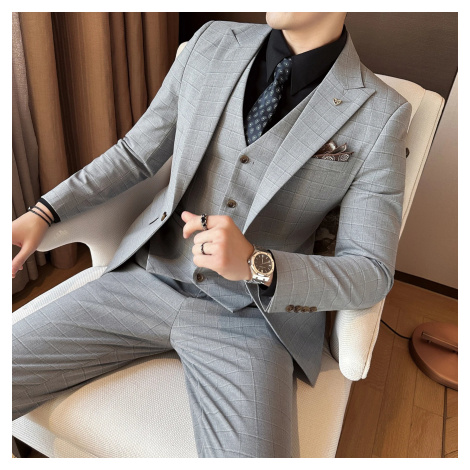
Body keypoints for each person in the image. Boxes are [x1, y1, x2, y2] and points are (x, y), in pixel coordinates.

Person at [12, 12, 412, 458]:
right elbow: (136, 154)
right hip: (146, 278)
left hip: (254, 319)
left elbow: (371, 271)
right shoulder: (211, 41)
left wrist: (258, 264)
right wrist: (46, 211)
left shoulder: (382, 112)